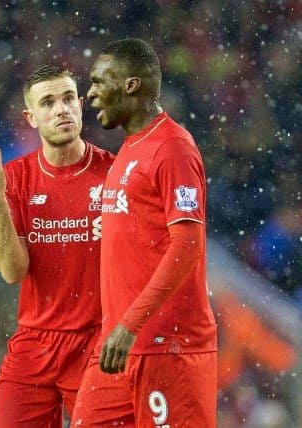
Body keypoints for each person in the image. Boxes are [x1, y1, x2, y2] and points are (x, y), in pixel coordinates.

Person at [72, 39, 217, 427]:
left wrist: (130, 324)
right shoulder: (128, 152)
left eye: (100, 82)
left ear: (131, 85)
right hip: (118, 348)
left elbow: (187, 246)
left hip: (166, 348)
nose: (91, 93)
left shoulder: (172, 148)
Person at [0, 65, 114, 427]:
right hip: (35, 342)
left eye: (67, 99)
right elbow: (11, 271)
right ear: (30, 118)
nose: (61, 109)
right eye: (48, 102)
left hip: (98, 342)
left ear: (81, 105)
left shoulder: (116, 173)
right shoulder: (15, 178)